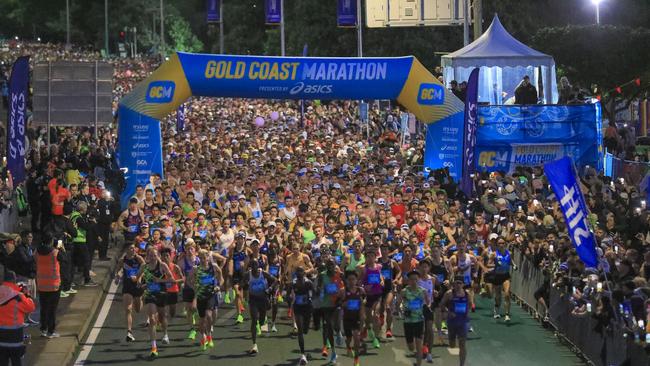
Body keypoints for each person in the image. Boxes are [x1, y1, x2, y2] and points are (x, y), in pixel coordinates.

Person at [137, 246, 174, 357]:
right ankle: (154, 347)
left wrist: (160, 280)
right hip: (150, 295)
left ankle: (165, 334)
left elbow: (171, 280)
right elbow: (138, 278)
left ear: (158, 255)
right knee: (152, 319)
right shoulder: (144, 266)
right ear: (147, 256)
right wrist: (139, 283)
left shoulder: (162, 265)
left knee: (162, 317)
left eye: (155, 255)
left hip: (161, 294)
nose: (153, 257)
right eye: (151, 255)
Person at [0, 269, 36, 366]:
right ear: (14, 281)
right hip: (15, 336)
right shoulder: (18, 296)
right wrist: (27, 295)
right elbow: (30, 307)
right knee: (16, 361)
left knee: (2, 361)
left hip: (1, 336)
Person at [189, 249, 222, 351]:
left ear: (208, 257)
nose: (203, 260)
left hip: (210, 295)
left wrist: (218, 286)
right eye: (201, 258)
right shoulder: (196, 269)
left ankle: (209, 335)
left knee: (209, 315)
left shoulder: (213, 266)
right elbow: (189, 280)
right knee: (202, 319)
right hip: (200, 296)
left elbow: (220, 275)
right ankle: (203, 336)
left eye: (205, 257)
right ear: (199, 258)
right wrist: (194, 286)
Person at [244, 257, 276, 355]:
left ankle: (262, 321)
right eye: (252, 265)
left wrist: (270, 289)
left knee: (261, 321)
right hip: (253, 299)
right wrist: (245, 284)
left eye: (256, 265)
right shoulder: (247, 274)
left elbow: (275, 280)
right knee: (254, 319)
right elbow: (242, 284)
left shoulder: (263, 273)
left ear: (258, 266)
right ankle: (254, 345)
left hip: (263, 298)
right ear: (250, 266)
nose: (254, 267)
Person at [114, 243, 145, 342]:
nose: (133, 250)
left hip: (137, 286)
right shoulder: (123, 260)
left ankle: (141, 299)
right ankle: (129, 332)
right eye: (130, 248)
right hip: (127, 286)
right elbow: (118, 270)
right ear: (126, 250)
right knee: (128, 309)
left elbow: (144, 269)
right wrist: (117, 276)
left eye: (133, 248)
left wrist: (139, 278)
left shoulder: (139, 259)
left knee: (138, 309)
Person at [36, 237, 65, 339]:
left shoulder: (37, 251)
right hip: (53, 286)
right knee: (52, 309)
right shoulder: (55, 252)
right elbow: (65, 259)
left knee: (43, 308)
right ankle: (51, 331)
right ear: (51, 241)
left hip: (41, 284)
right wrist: (61, 247)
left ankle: (43, 329)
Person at [442, 276, 471, 366]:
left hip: (463, 322)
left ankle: (462, 364)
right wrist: (448, 312)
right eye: (456, 283)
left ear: (463, 284)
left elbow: (469, 304)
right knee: (452, 344)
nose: (458, 285)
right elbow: (442, 304)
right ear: (453, 284)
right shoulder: (449, 294)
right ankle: (451, 341)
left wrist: (467, 313)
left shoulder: (467, 294)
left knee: (462, 344)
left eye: (460, 283)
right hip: (452, 321)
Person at [401, 270, 427, 366]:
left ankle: (418, 364)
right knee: (411, 347)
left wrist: (426, 306)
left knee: (419, 344)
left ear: (418, 280)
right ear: (408, 281)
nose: (414, 281)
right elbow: (398, 302)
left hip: (419, 320)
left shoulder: (422, 291)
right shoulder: (404, 291)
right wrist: (400, 310)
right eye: (411, 279)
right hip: (408, 321)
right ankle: (412, 348)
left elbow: (428, 302)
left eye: (416, 279)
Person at [70, 202, 97, 287]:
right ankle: (87, 279)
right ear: (82, 209)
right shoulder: (78, 218)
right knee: (86, 259)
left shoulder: (74, 215)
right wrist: (92, 222)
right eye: (85, 209)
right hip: (79, 241)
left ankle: (71, 281)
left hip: (75, 241)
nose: (86, 210)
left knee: (74, 262)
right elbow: (86, 227)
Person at [291, 266, 314, 365]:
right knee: (300, 331)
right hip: (298, 308)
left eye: (301, 271)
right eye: (298, 271)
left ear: (304, 273)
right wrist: (289, 297)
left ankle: (305, 354)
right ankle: (303, 355)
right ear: (296, 273)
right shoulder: (294, 283)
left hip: (307, 308)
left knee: (305, 330)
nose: (299, 273)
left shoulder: (308, 282)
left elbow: (315, 293)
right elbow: (288, 293)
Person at [489, 238, 515, 322]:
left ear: (505, 244)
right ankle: (496, 309)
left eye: (503, 243)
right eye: (499, 243)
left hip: (506, 276)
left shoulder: (509, 253)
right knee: (498, 295)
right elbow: (488, 264)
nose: (501, 245)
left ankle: (507, 314)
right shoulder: (494, 254)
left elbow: (510, 261)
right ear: (497, 244)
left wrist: (514, 265)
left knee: (507, 294)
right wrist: (495, 264)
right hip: (497, 276)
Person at [342, 270, 364, 366]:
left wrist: (363, 303)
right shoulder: (343, 291)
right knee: (349, 338)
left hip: (356, 318)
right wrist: (344, 304)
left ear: (356, 280)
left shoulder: (360, 290)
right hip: (347, 318)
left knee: (357, 337)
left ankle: (356, 359)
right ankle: (348, 347)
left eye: (353, 279)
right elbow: (338, 303)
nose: (351, 281)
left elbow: (365, 300)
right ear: (346, 280)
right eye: (349, 279)